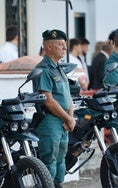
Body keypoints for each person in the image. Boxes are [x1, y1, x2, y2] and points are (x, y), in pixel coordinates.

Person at [33, 29, 76, 188]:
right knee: (49, 160)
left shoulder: (59, 68)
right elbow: (48, 100)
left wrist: (70, 116)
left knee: (60, 159)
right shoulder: (43, 70)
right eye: (60, 45)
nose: (64, 48)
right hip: (50, 121)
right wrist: (67, 118)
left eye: (65, 45)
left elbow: (68, 96)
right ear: (48, 47)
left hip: (63, 121)